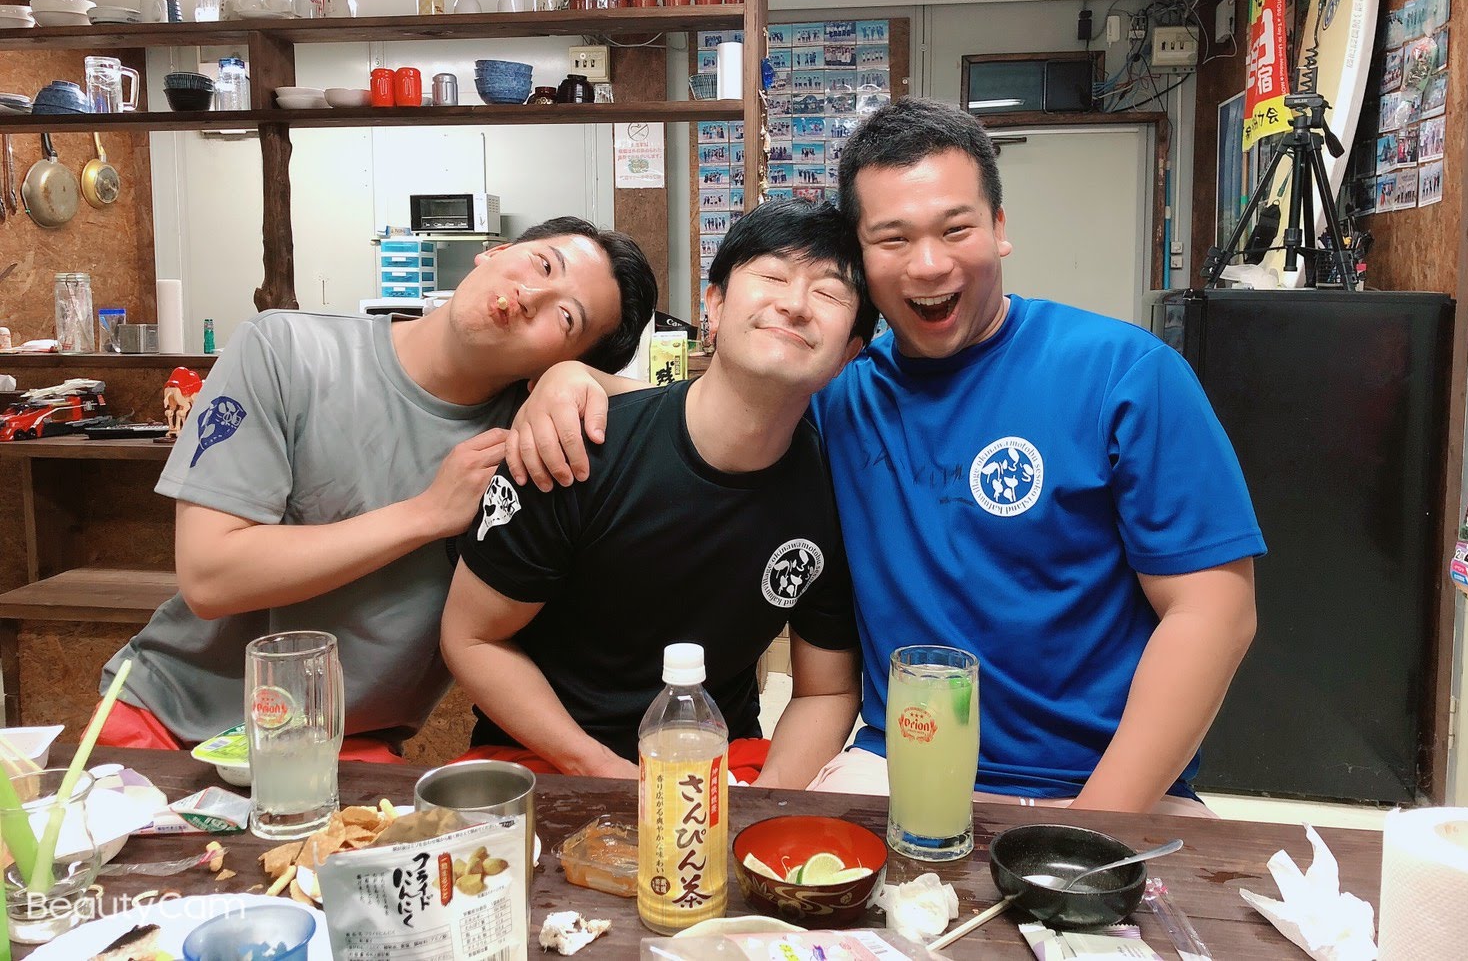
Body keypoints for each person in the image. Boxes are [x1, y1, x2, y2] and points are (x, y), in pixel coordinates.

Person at [502, 97, 1264, 815]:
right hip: (893, 762)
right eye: (893, 239)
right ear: (862, 261)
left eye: (956, 229)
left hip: (1105, 783)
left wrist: (1092, 827)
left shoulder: (1124, 374)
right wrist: (574, 379)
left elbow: (1214, 614)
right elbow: (718, 404)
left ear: (1000, 227)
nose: (928, 264)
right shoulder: (841, 390)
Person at [97, 217, 658, 760]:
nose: (531, 295)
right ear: (494, 252)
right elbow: (209, 576)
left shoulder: (533, 436)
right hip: (171, 725)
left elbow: (683, 410)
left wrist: (576, 378)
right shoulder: (285, 350)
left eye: (565, 317)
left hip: (343, 750)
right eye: (542, 264)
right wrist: (427, 513)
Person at [441, 199, 873, 787]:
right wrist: (601, 771)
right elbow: (472, 637)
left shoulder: (835, 488)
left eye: (828, 293)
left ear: (850, 352)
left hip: (720, 763)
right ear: (714, 306)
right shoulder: (574, 444)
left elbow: (828, 690)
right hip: (548, 759)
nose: (795, 304)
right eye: (772, 276)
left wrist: (761, 809)